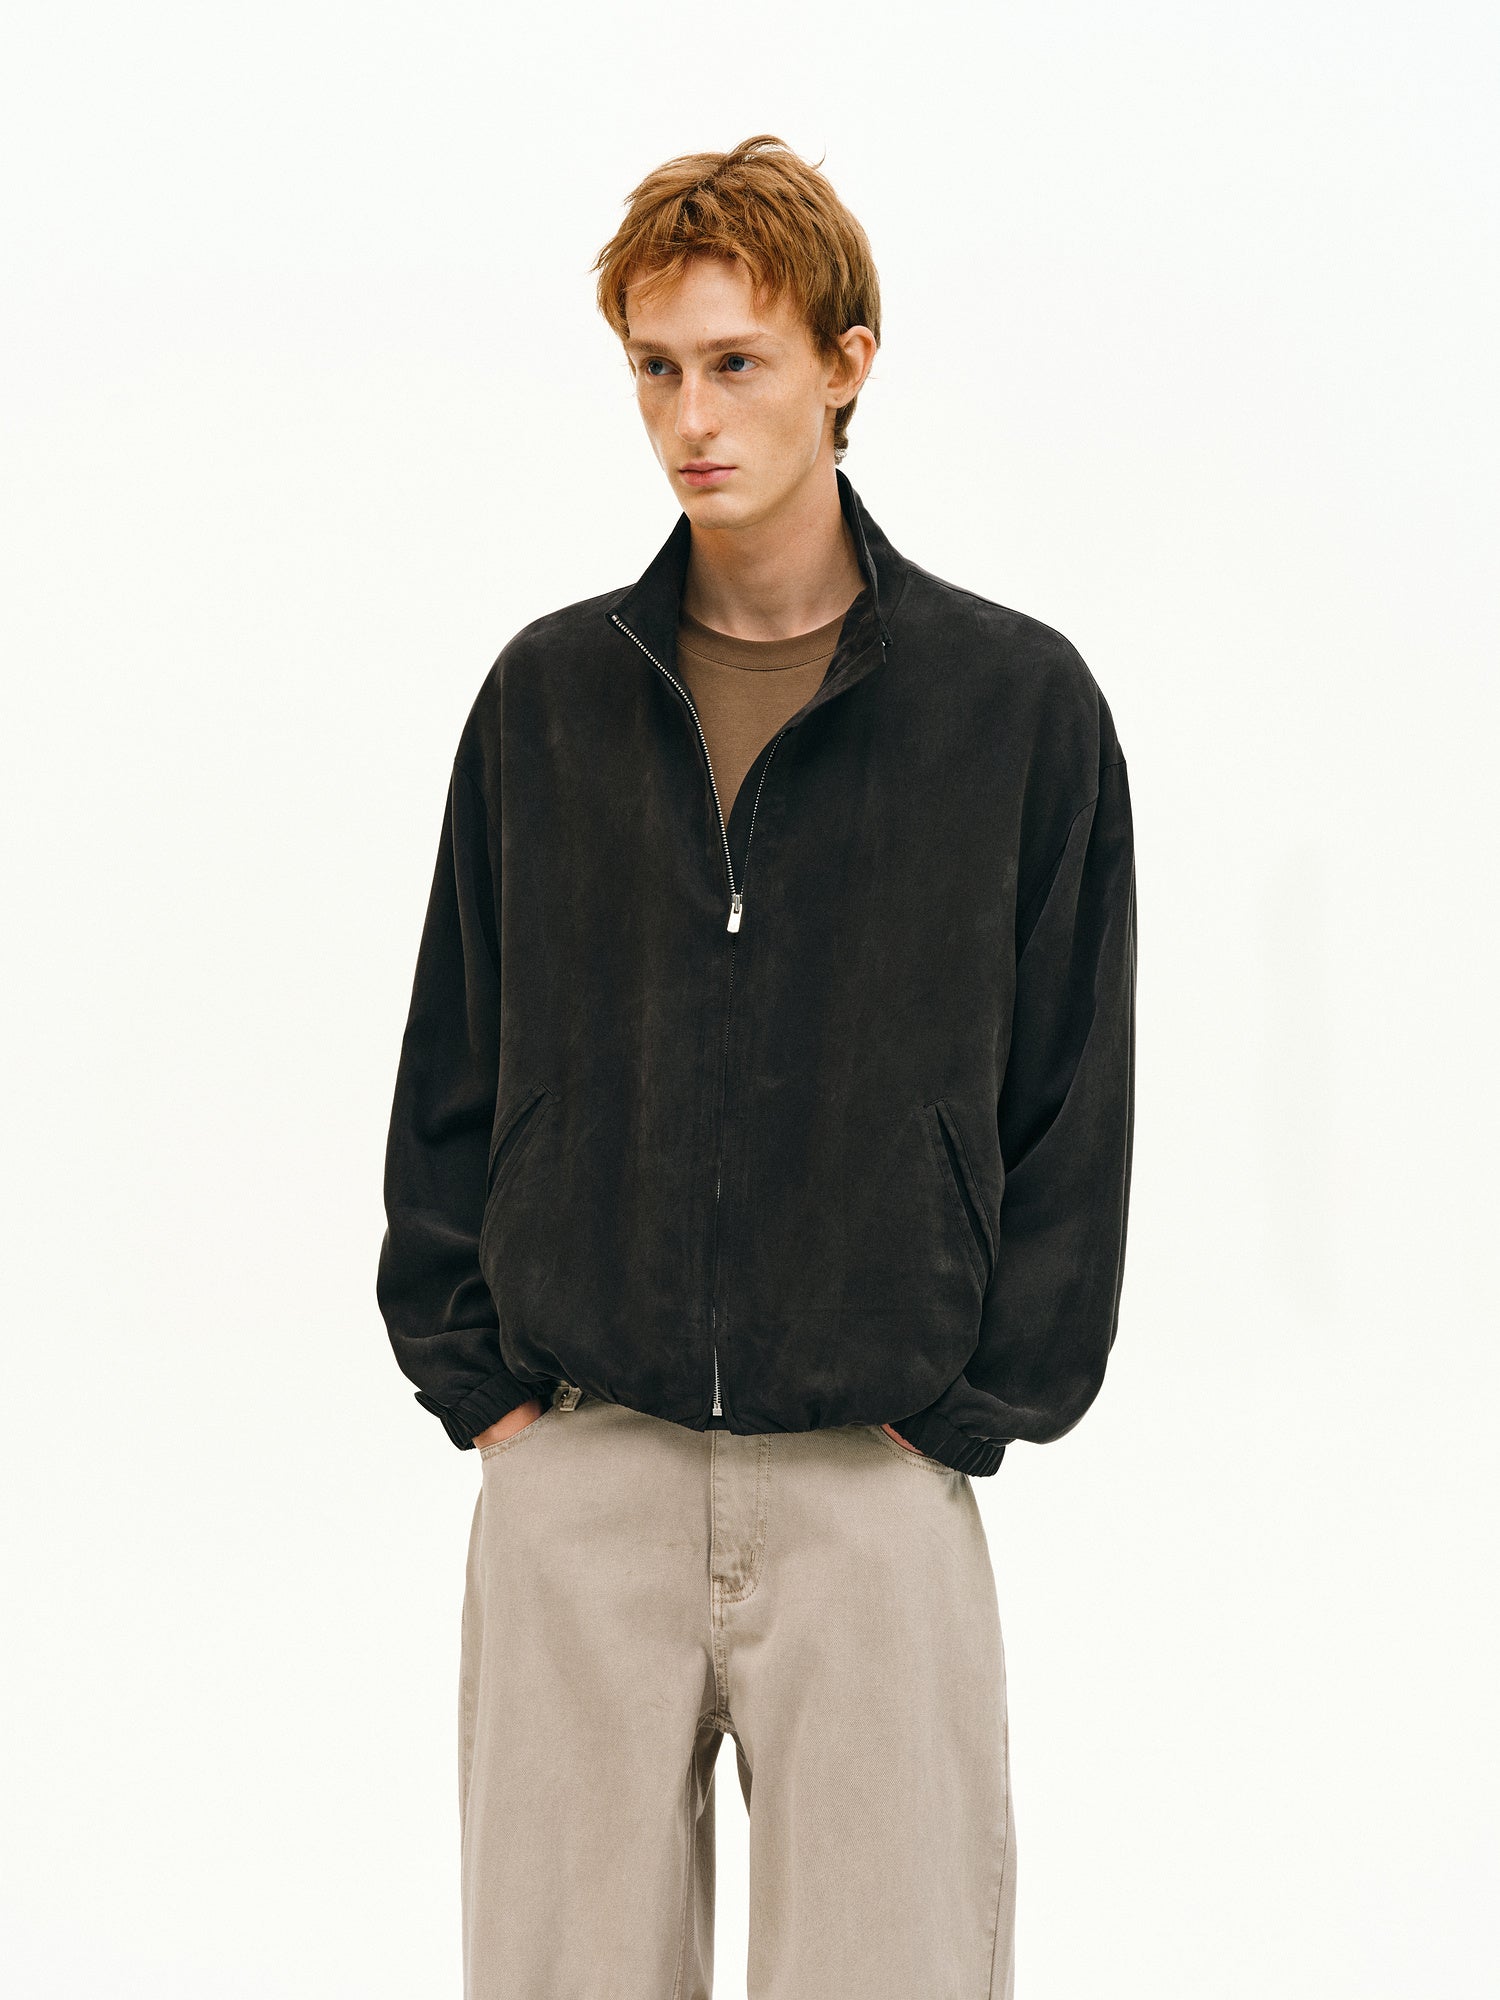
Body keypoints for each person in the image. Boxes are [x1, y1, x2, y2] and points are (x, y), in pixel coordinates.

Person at [376, 132, 1136, 2000]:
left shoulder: (1013, 707)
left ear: (846, 363)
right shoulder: (548, 699)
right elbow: (454, 1053)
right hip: (582, 1473)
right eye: (656, 367)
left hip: (875, 1482)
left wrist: (975, 1405)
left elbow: (1073, 1091)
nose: (691, 419)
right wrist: (482, 1390)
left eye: (738, 362)